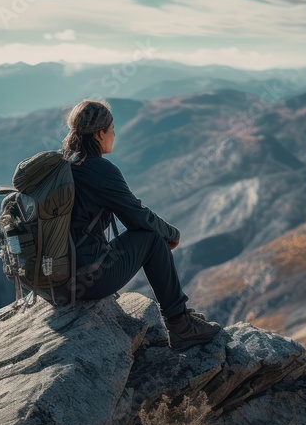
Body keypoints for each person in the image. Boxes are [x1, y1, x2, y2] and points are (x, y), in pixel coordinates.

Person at [56, 98, 221, 350]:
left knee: (148, 235)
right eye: (112, 130)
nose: (114, 135)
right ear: (100, 134)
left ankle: (181, 317)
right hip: (86, 281)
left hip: (53, 282)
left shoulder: (61, 164)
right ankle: (180, 324)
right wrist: (171, 233)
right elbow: (138, 218)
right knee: (152, 237)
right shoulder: (99, 169)